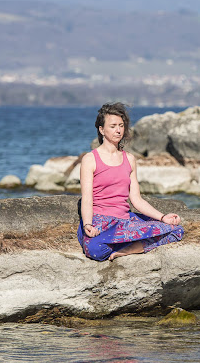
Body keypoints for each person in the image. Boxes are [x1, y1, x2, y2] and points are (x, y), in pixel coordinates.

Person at [77, 102, 184, 261]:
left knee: (176, 230)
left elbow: (136, 200)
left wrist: (162, 217)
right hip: (100, 221)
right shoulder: (90, 159)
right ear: (101, 130)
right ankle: (133, 244)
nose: (118, 130)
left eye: (121, 125)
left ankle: (129, 249)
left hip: (125, 221)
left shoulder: (130, 159)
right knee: (95, 250)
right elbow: (87, 199)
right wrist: (87, 225)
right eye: (113, 126)